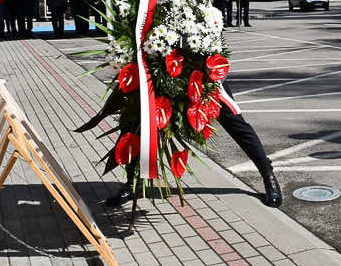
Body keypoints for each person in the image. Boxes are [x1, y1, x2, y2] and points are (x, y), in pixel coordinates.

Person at [105, 80, 282, 208]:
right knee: (136, 121)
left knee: (236, 123)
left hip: (201, 71)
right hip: (162, 67)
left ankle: (267, 174)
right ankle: (132, 182)